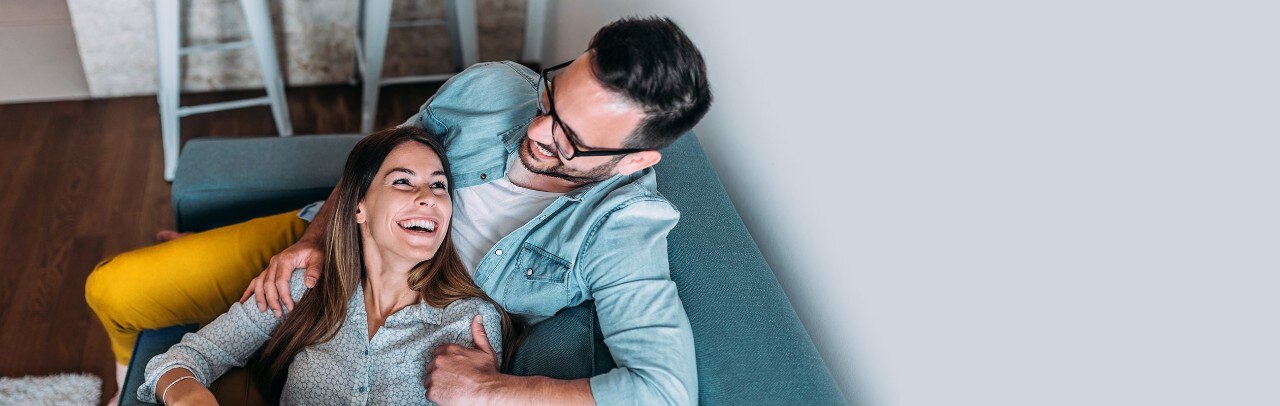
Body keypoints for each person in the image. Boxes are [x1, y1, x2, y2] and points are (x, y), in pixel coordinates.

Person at [87, 16, 712, 405]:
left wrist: (491, 390)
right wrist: (315, 241)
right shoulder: (495, 86)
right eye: (550, 97)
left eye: (569, 140)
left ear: (632, 160)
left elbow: (664, 389)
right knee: (115, 289)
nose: (537, 129)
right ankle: (123, 378)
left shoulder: (624, 229)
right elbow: (384, 157)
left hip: (403, 312)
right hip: (324, 245)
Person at [139, 127, 517, 405]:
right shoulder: (305, 286)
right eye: (403, 182)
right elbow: (180, 361)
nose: (427, 198)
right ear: (358, 207)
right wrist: (190, 396)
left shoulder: (470, 323)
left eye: (439, 186)